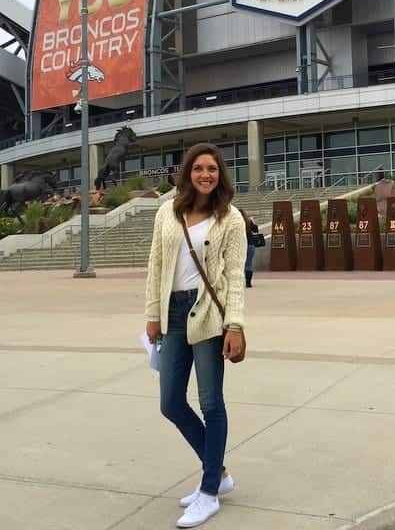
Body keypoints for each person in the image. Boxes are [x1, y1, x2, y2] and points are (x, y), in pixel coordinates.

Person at [145, 142, 246, 528]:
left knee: (210, 402)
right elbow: (155, 265)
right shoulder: (167, 212)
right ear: (188, 172)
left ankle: (208, 493)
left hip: (207, 313)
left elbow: (235, 276)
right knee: (170, 402)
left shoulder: (230, 218)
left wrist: (234, 324)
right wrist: (152, 314)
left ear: (220, 175)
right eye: (200, 168)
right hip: (171, 312)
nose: (206, 175)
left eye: (214, 169)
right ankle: (219, 473)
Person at [239, 208, 258, 288]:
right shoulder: (249, 221)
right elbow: (256, 230)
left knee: (239, 264)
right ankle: (248, 282)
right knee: (249, 263)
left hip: (240, 245)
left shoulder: (236, 222)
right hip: (250, 244)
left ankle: (239, 282)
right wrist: (253, 223)